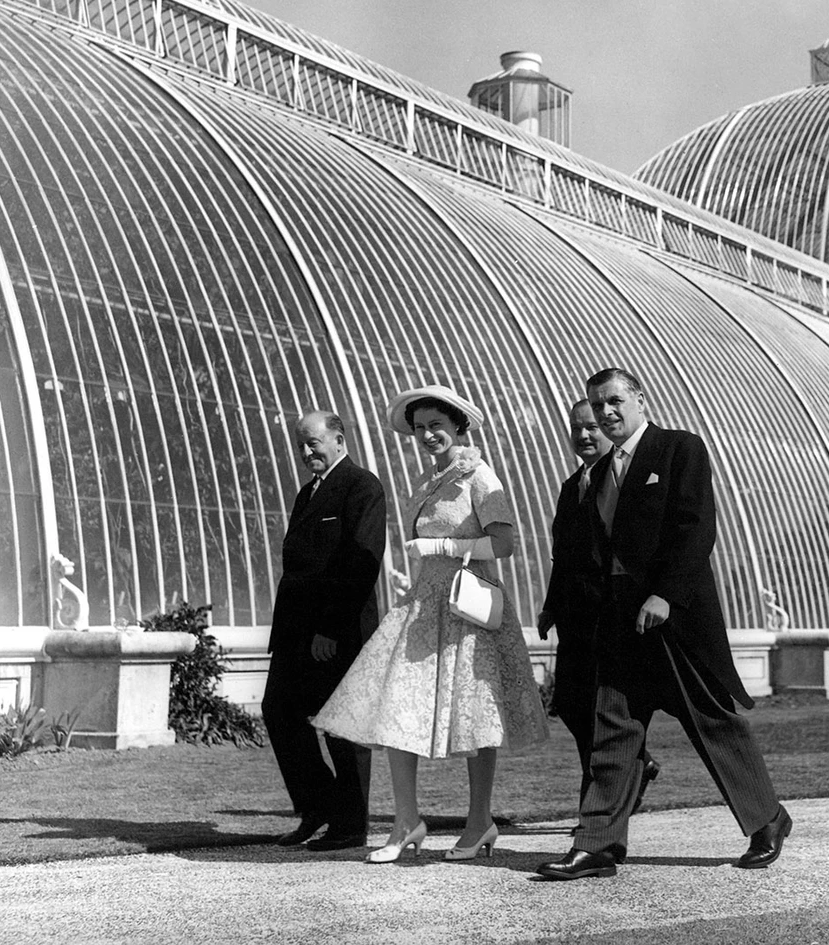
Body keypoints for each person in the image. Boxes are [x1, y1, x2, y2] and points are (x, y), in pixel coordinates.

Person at [537, 368, 791, 881]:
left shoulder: (679, 450)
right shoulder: (597, 472)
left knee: (711, 722)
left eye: (614, 402)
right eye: (596, 404)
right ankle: (598, 844)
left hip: (673, 622)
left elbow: (696, 528)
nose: (605, 413)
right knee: (613, 728)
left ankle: (767, 820)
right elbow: (582, 554)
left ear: (639, 400)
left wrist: (664, 595)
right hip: (619, 624)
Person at [313, 384, 549, 864]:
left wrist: (444, 549)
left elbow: (504, 543)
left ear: (458, 425)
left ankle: (480, 821)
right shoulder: (430, 481)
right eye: (420, 428)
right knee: (397, 709)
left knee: (475, 715)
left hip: (467, 605)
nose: (427, 435)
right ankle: (406, 821)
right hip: (424, 605)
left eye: (436, 426)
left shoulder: (477, 475)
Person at [262, 410, 387, 851]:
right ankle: (318, 807)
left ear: (338, 439)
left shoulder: (362, 486)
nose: (305, 452)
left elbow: (360, 564)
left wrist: (330, 628)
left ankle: (351, 825)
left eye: (312, 442)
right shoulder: (306, 494)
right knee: (279, 712)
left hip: (338, 632)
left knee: (342, 728)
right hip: (297, 632)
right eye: (300, 444)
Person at [538, 399, 660, 816]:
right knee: (572, 706)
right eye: (577, 428)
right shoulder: (573, 485)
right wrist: (550, 607)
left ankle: (598, 804)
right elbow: (562, 555)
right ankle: (637, 764)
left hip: (609, 614)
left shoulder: (621, 476)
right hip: (574, 616)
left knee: (605, 711)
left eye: (592, 427)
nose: (584, 436)